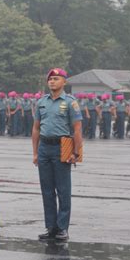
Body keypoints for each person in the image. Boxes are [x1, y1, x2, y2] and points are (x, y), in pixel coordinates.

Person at [32, 68, 82, 242]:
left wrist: (76, 152)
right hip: (45, 147)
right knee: (47, 190)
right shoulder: (41, 102)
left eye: (56, 79)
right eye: (50, 79)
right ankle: (51, 227)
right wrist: (35, 152)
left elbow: (77, 129)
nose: (52, 82)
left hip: (62, 147)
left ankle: (62, 228)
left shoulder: (70, 102)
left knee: (63, 190)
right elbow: (36, 128)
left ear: (64, 82)